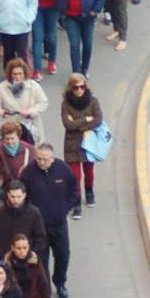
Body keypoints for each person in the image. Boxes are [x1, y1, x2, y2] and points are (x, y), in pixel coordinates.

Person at [19, 143, 78, 298]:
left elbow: (74, 190)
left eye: (45, 159)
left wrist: (65, 208)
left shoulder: (63, 169)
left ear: (52, 159)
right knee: (41, 259)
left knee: (63, 255)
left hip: (59, 224)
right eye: (39, 158)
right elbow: (22, 195)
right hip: (38, 227)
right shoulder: (28, 172)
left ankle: (60, 282)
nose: (41, 162)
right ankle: (44, 288)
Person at [60, 73, 103, 215]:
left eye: (82, 87)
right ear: (70, 88)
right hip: (72, 145)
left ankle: (89, 191)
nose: (79, 90)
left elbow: (98, 119)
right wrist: (86, 120)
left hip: (89, 143)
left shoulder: (93, 101)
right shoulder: (65, 104)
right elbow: (68, 124)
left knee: (89, 172)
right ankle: (76, 202)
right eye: (76, 87)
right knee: (75, 176)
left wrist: (77, 123)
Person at [0, 58, 48, 145]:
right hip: (9, 124)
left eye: (20, 73)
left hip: (31, 124)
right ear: (10, 74)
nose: (17, 76)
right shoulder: (2, 87)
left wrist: (30, 111)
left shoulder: (34, 86)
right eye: (14, 74)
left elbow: (43, 102)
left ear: (25, 74)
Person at [0, 180, 46, 259]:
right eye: (12, 197)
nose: (16, 200)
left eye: (19, 197)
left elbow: (40, 237)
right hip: (4, 259)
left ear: (24, 195)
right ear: (8, 195)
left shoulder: (34, 213)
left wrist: (31, 253)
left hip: (27, 259)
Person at [5, 234, 53, 298]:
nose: (22, 251)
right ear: (12, 248)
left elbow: (42, 283)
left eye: (25, 248)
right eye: (18, 248)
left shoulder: (35, 261)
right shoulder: (7, 265)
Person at [24, 0, 59, 81]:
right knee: (37, 37)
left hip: (52, 6)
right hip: (36, 7)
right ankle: (37, 69)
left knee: (51, 36)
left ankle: (51, 62)